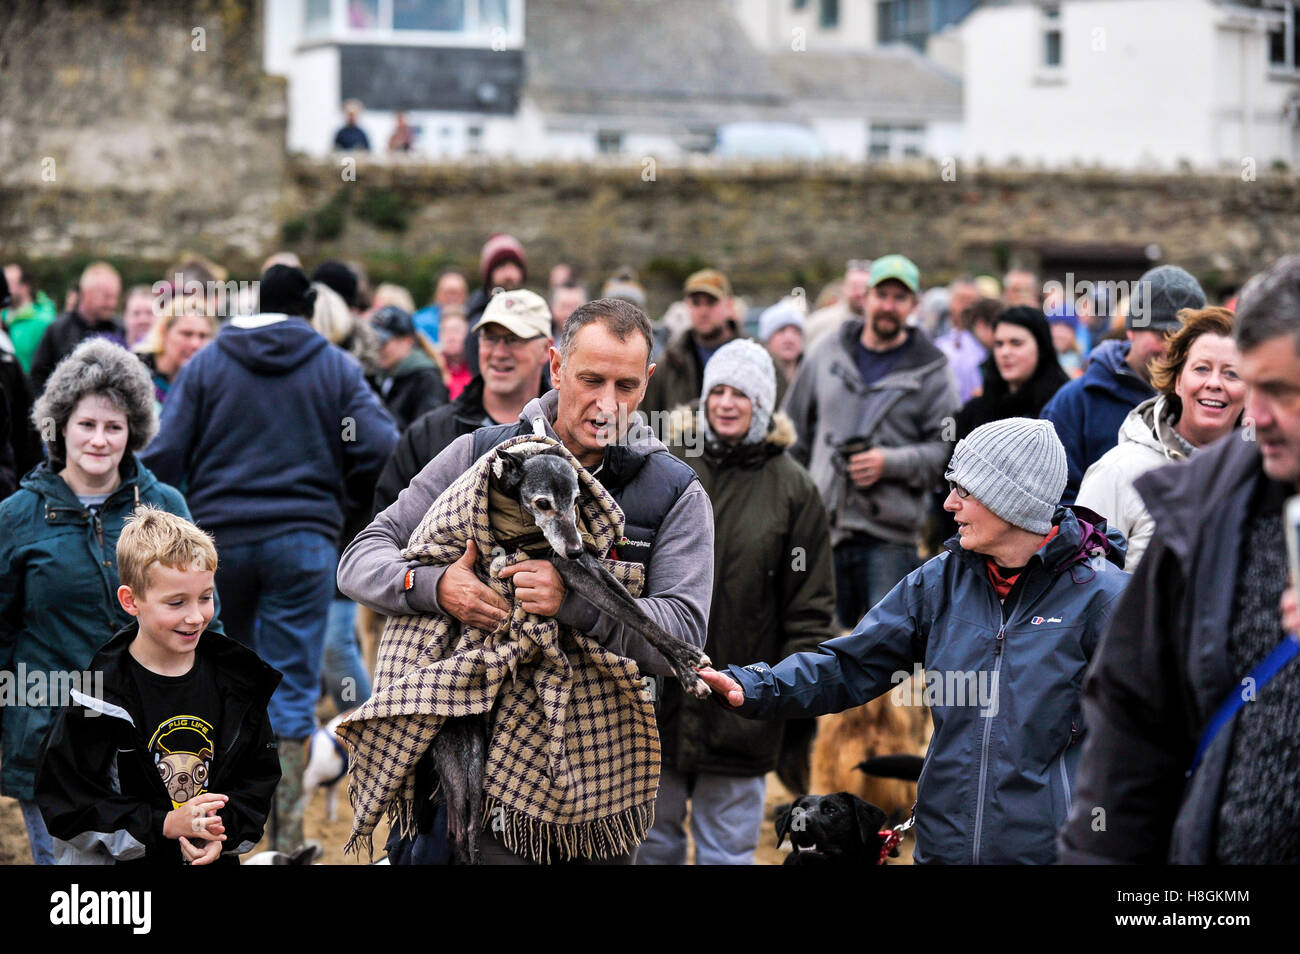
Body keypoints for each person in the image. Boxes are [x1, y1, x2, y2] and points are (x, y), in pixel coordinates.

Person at [339, 297, 714, 865]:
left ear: (649, 382)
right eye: (590, 380)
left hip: (596, 790)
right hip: (466, 768)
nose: (607, 405)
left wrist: (577, 603)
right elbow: (360, 560)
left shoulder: (674, 494)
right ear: (556, 366)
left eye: (626, 386)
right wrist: (437, 587)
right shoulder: (480, 457)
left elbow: (682, 634)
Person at [698, 418, 1129, 864]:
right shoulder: (939, 581)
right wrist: (753, 685)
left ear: (1010, 501)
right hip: (943, 849)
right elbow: (850, 664)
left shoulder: (1104, 597)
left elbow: (1149, 732)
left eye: (964, 491)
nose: (948, 504)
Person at [139, 265, 398, 853]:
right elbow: (380, 443)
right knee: (291, 691)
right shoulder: (332, 366)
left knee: (219, 683)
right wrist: (342, 479)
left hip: (216, 546)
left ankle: (211, 836)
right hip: (303, 548)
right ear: (306, 311)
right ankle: (282, 838)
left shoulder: (208, 364)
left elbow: (168, 451)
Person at [1059, 255, 1300, 864]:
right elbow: (1134, 720)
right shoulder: (1203, 505)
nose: (1261, 415)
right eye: (1259, 386)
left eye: (1283, 392)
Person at [0, 338, 214, 865]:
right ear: (61, 427)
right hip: (51, 741)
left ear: (133, 432)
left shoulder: (165, 505)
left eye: (113, 426)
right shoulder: (15, 518)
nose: (99, 439)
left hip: (157, 737)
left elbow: (205, 617)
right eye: (86, 425)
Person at [639, 340, 833, 865]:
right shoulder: (664, 466)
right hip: (658, 705)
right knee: (651, 846)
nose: (725, 403)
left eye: (740, 394)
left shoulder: (795, 490)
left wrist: (786, 699)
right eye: (717, 390)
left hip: (743, 709)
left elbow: (809, 610)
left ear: (763, 404)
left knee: (727, 853)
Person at [35, 506, 281, 865]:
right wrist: (163, 824)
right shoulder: (96, 697)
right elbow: (68, 804)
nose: (196, 616)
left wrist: (221, 833)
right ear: (130, 600)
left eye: (205, 597)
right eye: (176, 602)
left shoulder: (239, 684)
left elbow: (256, 781)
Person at [782, 254, 960, 630]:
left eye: (900, 297)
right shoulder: (826, 351)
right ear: (866, 297)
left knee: (884, 647)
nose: (889, 305)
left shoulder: (933, 370)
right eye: (882, 295)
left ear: (914, 305)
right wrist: (795, 507)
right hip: (823, 528)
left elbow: (948, 451)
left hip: (890, 537)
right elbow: (792, 433)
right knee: (818, 641)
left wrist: (888, 462)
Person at [1076, 307, 1244, 571]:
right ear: (1178, 381)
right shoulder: (1118, 472)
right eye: (1201, 369)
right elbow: (1083, 580)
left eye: (1232, 373)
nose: (1214, 383)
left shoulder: (1266, 476)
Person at [372, 290, 552, 515]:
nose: (499, 352)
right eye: (490, 337)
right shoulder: (430, 433)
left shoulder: (563, 434)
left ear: (546, 349)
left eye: (513, 339)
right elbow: (387, 526)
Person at [1040, 264, 1206, 504]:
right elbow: (1053, 497)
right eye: (1162, 335)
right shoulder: (1076, 402)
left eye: (1183, 338)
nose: (1172, 348)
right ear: (1131, 331)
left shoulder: (1210, 403)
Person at [640, 268, 743, 420]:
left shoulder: (752, 358)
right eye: (696, 303)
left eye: (711, 302)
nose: (703, 311)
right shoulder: (670, 362)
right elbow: (648, 421)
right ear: (687, 306)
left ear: (729, 305)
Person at [955, 307, 1069, 439]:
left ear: (1041, 347)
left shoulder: (1065, 406)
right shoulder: (974, 412)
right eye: (999, 344)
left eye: (1016, 343)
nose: (1005, 352)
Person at [30, 262, 125, 394]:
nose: (112, 304)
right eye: (106, 297)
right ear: (86, 294)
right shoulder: (58, 329)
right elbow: (38, 377)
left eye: (115, 297)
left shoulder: (120, 329)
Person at [370, 305, 449, 432]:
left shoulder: (427, 380)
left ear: (407, 341)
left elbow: (426, 436)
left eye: (382, 342)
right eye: (373, 342)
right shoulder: (381, 375)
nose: (377, 348)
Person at [461, 233, 528, 377]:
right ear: (489, 273)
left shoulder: (533, 312)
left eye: (514, 267)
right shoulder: (476, 319)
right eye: (502, 266)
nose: (509, 274)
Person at [134, 296, 216, 409]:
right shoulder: (135, 373)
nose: (195, 344)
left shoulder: (209, 381)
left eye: (203, 336)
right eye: (187, 334)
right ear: (164, 332)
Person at [935, 292, 990, 404]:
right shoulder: (941, 344)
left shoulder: (985, 347)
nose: (966, 306)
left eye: (972, 301)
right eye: (961, 300)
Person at [2, 263, 57, 374]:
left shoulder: (42, 322)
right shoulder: (3, 317)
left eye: (8, 284)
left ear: (25, 286)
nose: (2, 289)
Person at [805, 262, 870, 348]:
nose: (861, 293)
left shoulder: (883, 326)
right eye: (855, 287)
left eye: (865, 287)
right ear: (844, 288)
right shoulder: (820, 322)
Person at [758, 299, 804, 408]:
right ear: (767, 339)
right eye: (781, 330)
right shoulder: (757, 377)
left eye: (796, 331)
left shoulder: (812, 375)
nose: (789, 338)